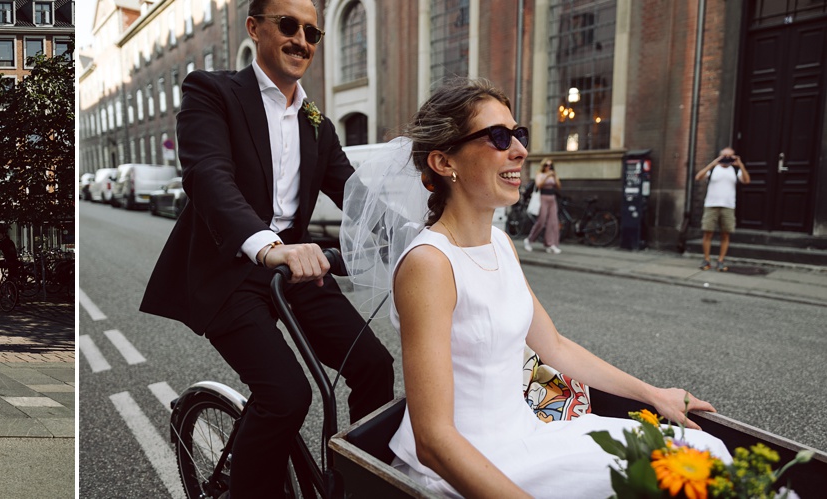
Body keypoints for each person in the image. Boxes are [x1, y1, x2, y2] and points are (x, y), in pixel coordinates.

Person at [386, 77, 730, 497]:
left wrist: (653, 394)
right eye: (498, 137)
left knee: (707, 453)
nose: (521, 150)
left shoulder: (500, 242)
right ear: (444, 162)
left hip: (530, 433)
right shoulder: (429, 264)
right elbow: (434, 438)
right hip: (471, 460)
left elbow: (555, 346)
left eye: (519, 133)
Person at [139, 0, 395, 494]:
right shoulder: (213, 92)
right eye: (289, 25)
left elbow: (357, 197)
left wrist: (421, 238)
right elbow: (208, 177)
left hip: (295, 267)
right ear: (255, 28)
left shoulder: (316, 122)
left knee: (373, 366)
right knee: (285, 394)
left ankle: (361, 485)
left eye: (312, 33)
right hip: (231, 267)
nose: (302, 39)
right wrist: (265, 244)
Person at [695, 147, 750, 272]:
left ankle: (720, 260)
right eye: (724, 156)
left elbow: (747, 181)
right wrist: (713, 163)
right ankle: (706, 259)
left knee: (725, 234)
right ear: (719, 156)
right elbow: (698, 177)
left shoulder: (735, 170)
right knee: (707, 232)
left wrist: (740, 164)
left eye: (729, 156)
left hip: (728, 206)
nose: (726, 158)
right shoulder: (714, 168)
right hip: (711, 204)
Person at [523, 159, 562, 254]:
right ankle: (529, 240)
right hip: (543, 198)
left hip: (552, 199)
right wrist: (547, 176)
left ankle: (550, 244)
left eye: (550, 165)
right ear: (543, 166)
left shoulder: (553, 174)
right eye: (546, 165)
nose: (548, 167)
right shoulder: (539, 174)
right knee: (541, 221)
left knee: (552, 222)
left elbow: (558, 186)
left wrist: (555, 176)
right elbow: (539, 185)